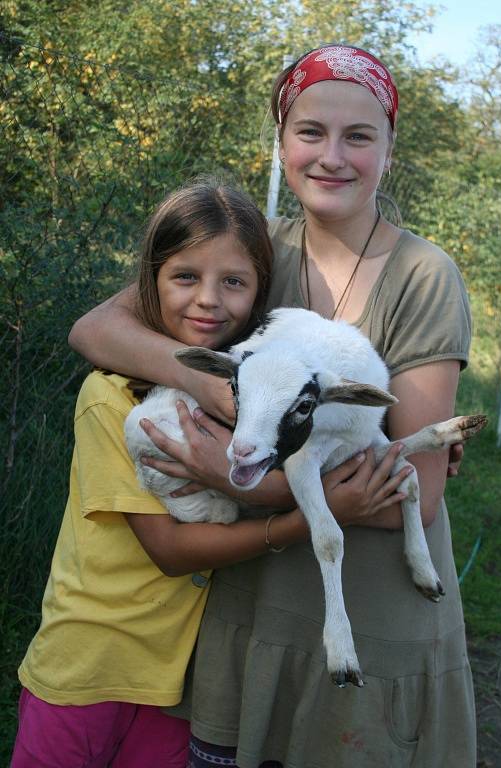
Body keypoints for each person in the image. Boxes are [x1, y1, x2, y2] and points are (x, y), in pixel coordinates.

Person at [68, 45, 475, 768]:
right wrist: (212, 384)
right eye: (311, 132)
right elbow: (96, 329)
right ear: (281, 140)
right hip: (254, 605)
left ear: (388, 147)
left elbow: (420, 491)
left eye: (359, 136)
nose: (332, 157)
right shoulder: (252, 248)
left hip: (370, 604)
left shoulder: (422, 274)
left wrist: (236, 476)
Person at [12, 177, 407, 768]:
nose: (208, 301)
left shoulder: (251, 404)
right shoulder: (112, 397)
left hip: (180, 685)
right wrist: (312, 520)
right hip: (89, 666)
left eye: (234, 283)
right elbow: (169, 550)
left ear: (259, 295)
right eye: (185, 277)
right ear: (151, 280)